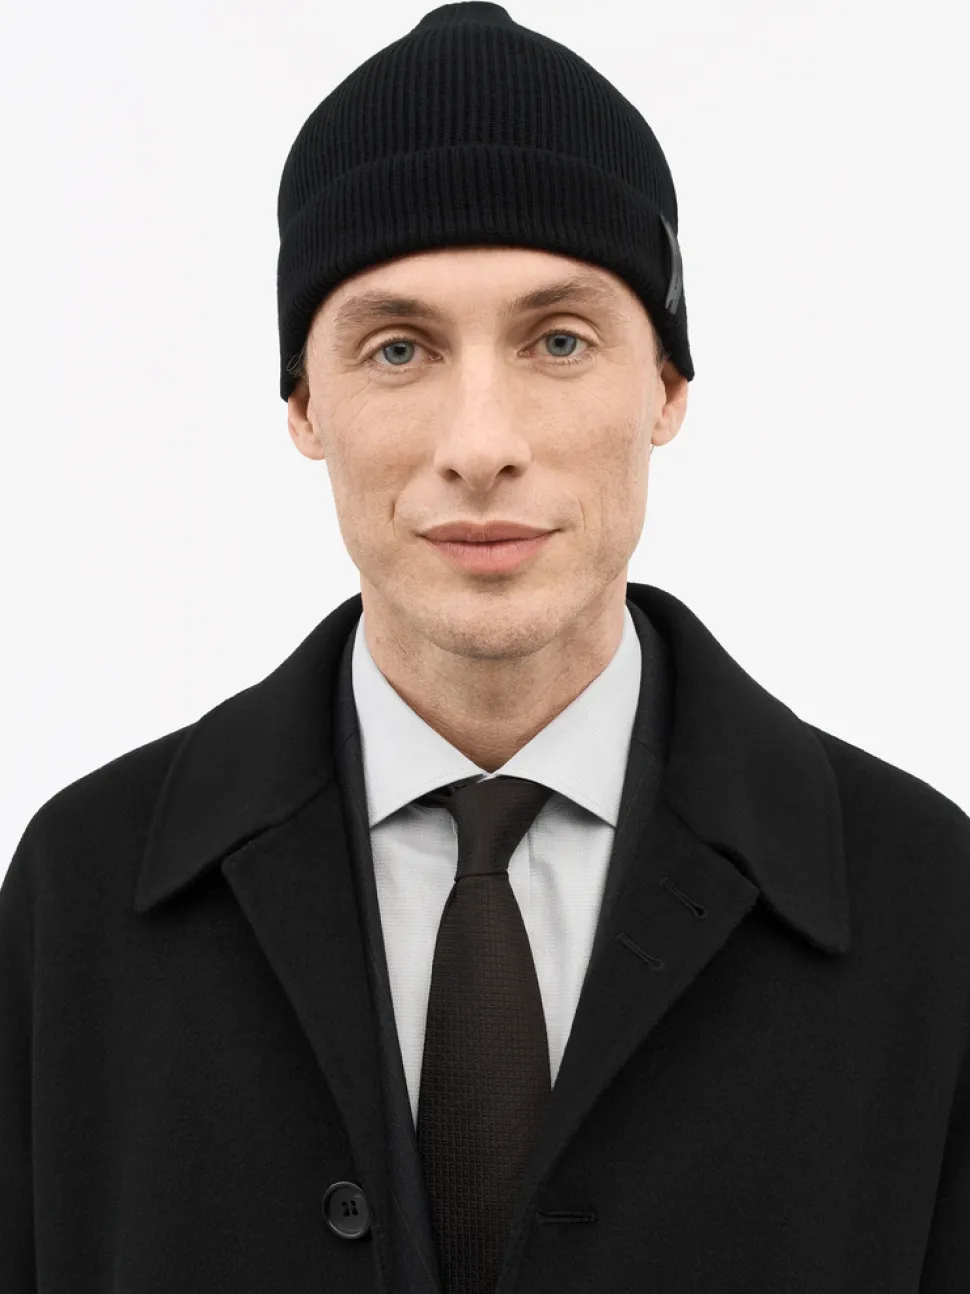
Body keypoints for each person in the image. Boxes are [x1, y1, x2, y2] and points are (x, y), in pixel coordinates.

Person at [1, 3, 967, 1292]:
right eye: (398, 349)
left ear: (667, 386)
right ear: (306, 404)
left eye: (558, 340)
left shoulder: (927, 903)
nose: (480, 443)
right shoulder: (81, 894)